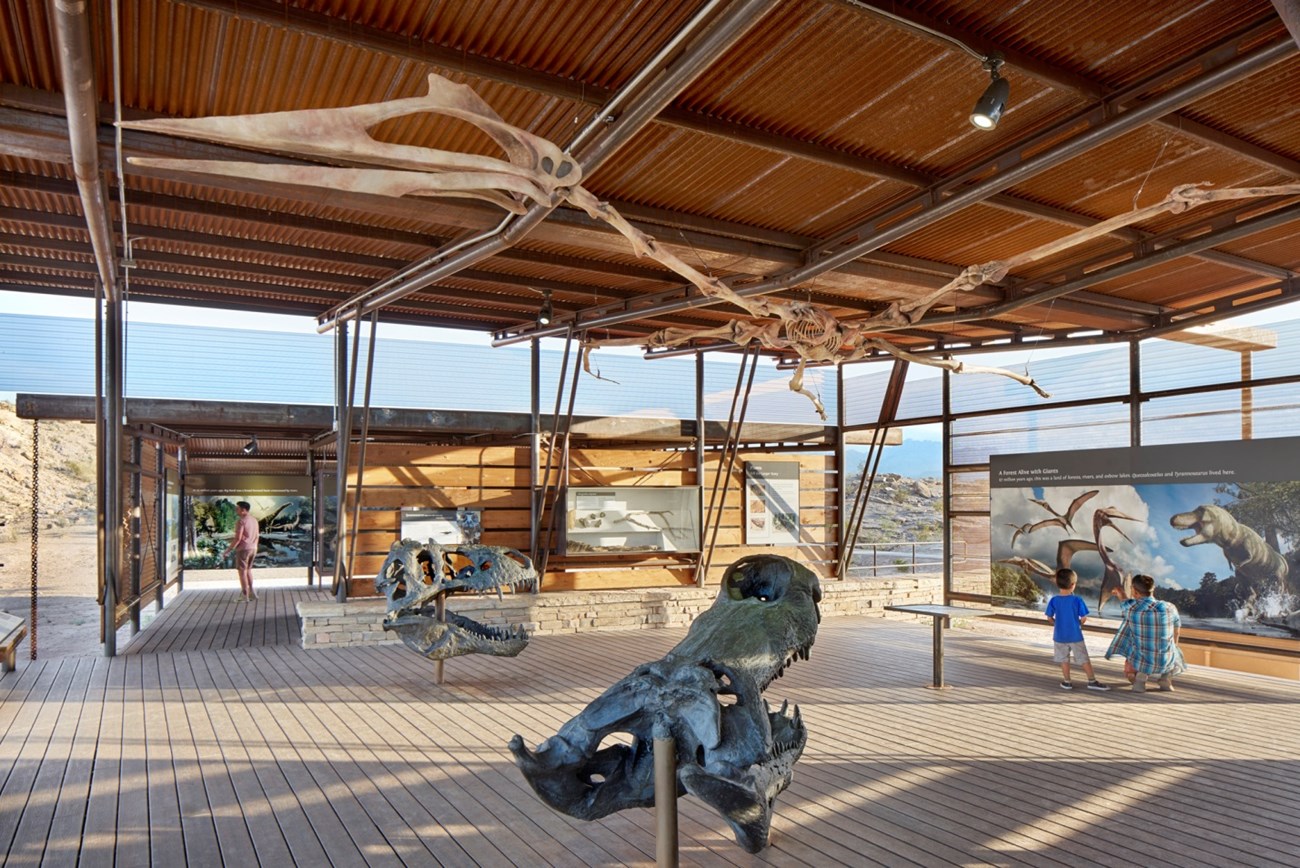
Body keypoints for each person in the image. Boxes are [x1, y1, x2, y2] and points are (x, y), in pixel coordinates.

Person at [1105, 573, 1185, 692]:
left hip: (1142, 661)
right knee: (1172, 646)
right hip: (1166, 660)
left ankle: (1140, 681)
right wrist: (1174, 646)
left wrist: (1120, 593)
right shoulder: (1169, 607)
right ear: (1153, 589)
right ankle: (1165, 679)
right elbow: (1177, 630)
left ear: (1135, 592)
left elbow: (1124, 602)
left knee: (1131, 638)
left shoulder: (1131, 608)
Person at [1044, 568, 1109, 691]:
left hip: (1059, 636)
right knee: (1084, 659)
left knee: (1064, 659)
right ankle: (1092, 681)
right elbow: (1084, 618)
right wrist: (1077, 623)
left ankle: (1067, 682)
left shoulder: (1054, 600)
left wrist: (1058, 624)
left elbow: (1049, 618)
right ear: (1073, 585)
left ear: (1057, 584)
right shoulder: (1077, 600)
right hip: (1075, 636)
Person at [230, 500, 260, 602]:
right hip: (253, 548)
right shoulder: (254, 520)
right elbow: (257, 535)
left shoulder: (241, 521)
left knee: (242, 572)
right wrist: (254, 546)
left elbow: (237, 538)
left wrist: (228, 550)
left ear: (243, 510)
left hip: (243, 549)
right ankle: (252, 594)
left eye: (237, 508)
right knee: (248, 570)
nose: (236, 510)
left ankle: (244, 596)